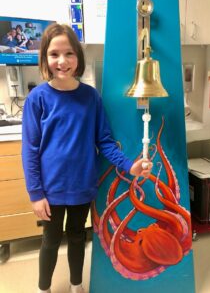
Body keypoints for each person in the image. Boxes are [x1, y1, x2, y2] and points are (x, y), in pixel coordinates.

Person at [21, 23, 152, 293]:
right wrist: (36, 194)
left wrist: (130, 165)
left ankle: (76, 284)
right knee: (51, 240)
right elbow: (30, 150)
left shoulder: (91, 97)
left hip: (82, 186)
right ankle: (43, 288)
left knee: (78, 236)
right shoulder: (37, 99)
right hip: (50, 190)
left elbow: (104, 141)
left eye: (69, 53)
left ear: (78, 57)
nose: (62, 61)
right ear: (45, 57)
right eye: (54, 54)